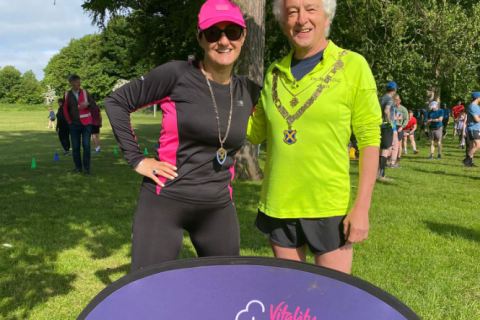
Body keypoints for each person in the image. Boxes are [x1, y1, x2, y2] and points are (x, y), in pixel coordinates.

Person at [104, 0, 261, 272]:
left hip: (218, 207)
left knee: (225, 290)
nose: (223, 41)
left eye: (232, 32)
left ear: (243, 36)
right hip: (165, 202)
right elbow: (117, 102)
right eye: (213, 33)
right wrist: (137, 159)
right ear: (200, 38)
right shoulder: (177, 74)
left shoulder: (250, 91)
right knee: (149, 292)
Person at [247, 0, 382, 274]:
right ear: (283, 22)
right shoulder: (274, 74)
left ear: (327, 17)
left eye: (311, 9)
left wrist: (362, 208)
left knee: (330, 300)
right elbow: (254, 132)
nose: (301, 19)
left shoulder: (353, 65)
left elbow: (369, 138)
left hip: (328, 205)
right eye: (292, 11)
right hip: (279, 204)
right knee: (290, 301)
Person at [63, 74, 97, 174]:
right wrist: (69, 122)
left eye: (79, 81)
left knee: (86, 146)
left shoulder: (85, 93)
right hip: (73, 125)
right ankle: (78, 168)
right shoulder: (66, 94)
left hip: (86, 124)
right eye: (76, 82)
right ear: (71, 83)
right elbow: (65, 110)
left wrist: (88, 104)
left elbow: (94, 105)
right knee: (75, 147)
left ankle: (87, 169)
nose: (78, 83)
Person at [376, 82, 396, 181]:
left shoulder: (381, 98)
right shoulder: (389, 99)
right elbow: (386, 111)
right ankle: (381, 174)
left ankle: (377, 173)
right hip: (386, 126)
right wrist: (389, 122)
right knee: (385, 150)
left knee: (380, 150)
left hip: (379, 125)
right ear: (394, 89)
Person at [462, 92, 480, 167]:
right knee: (478, 146)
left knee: (472, 146)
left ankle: (470, 163)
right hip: (472, 128)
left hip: (476, 128)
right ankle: (466, 160)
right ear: (477, 98)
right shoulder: (472, 106)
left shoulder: (477, 106)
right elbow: (477, 119)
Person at [395, 95, 408, 161]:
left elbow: (406, 119)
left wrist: (402, 127)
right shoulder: (392, 108)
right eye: (395, 100)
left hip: (399, 126)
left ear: (400, 101)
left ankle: (399, 157)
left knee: (399, 142)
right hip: (393, 126)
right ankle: (390, 157)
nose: (396, 101)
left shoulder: (403, 109)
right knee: (392, 142)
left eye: (398, 100)